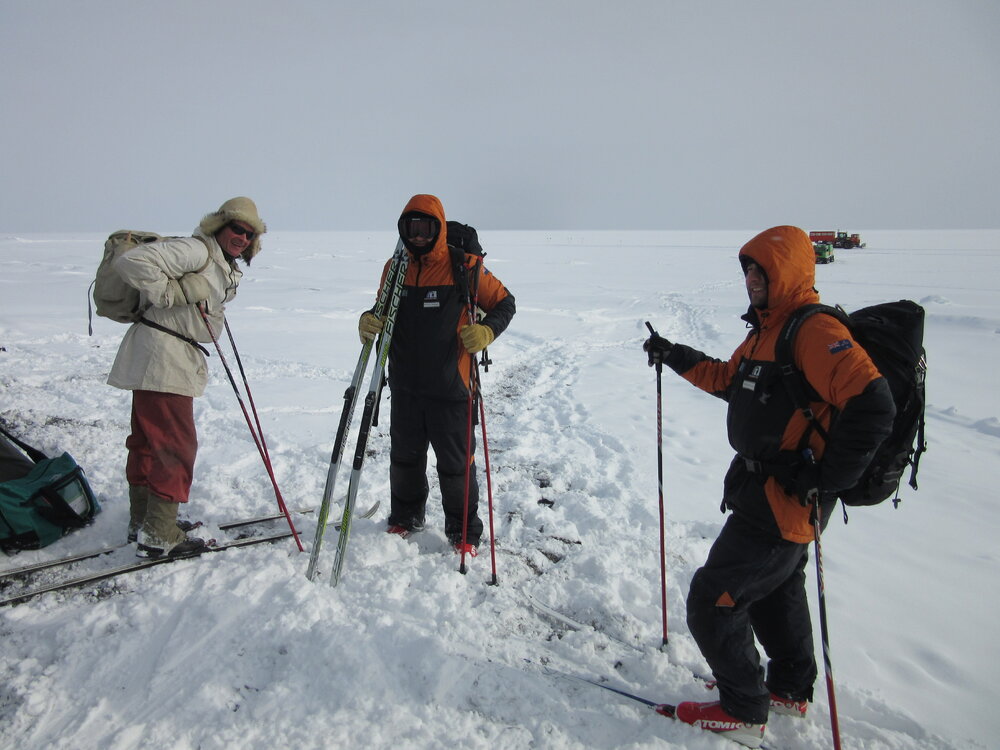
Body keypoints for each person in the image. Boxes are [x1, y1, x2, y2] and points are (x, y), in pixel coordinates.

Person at [642, 226, 895, 748]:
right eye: (748, 271)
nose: (752, 280)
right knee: (774, 591)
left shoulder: (813, 330)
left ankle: (743, 706)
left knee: (714, 599)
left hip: (787, 501)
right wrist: (674, 354)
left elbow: (874, 403)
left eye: (762, 271)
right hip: (763, 493)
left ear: (788, 273)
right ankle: (789, 687)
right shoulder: (768, 331)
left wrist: (825, 479)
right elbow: (727, 380)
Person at [107, 197, 266, 558]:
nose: (242, 237)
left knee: (148, 441)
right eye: (236, 228)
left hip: (163, 354)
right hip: (164, 356)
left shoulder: (220, 263)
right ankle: (159, 533)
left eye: (249, 234)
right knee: (175, 446)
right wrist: (172, 293)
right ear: (219, 226)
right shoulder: (197, 250)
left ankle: (145, 520)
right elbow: (131, 262)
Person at [358, 194, 515, 556]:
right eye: (411, 227)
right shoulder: (395, 268)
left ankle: (464, 533)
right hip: (405, 386)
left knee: (457, 466)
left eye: (425, 228)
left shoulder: (465, 266)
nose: (418, 235)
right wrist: (368, 319)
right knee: (405, 460)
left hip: (452, 387)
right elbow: (382, 308)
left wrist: (487, 331)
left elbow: (505, 302)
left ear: (438, 229)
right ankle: (406, 517)